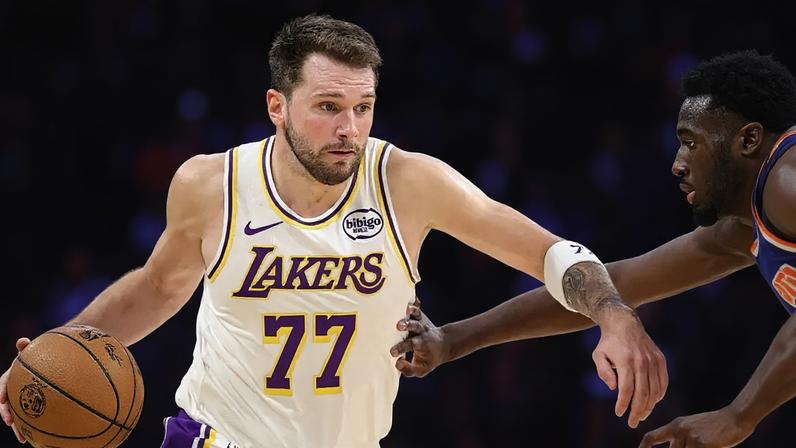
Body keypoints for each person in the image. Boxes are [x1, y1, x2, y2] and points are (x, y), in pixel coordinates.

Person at [0, 14, 666, 448]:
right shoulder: (211, 185)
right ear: (277, 106)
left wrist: (612, 312)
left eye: (363, 107)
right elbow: (157, 286)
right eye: (327, 107)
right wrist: (53, 354)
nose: (350, 127)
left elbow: (547, 251)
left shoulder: (407, 183)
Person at [391, 49, 796, 447]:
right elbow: (611, 284)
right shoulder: (742, 227)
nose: (677, 163)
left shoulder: (787, 181)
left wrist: (739, 416)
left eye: (691, 142)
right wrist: (453, 339)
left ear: (750, 139)